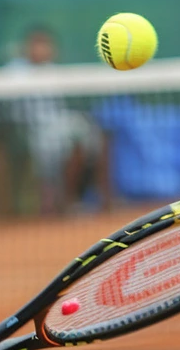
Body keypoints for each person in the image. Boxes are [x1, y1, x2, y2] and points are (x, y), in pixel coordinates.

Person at [6, 26, 107, 215]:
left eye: (47, 45)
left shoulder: (52, 69)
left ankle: (72, 198)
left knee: (87, 132)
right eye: (38, 45)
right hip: (28, 128)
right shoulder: (15, 71)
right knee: (48, 147)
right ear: (28, 47)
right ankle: (49, 202)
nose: (43, 49)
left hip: (59, 123)